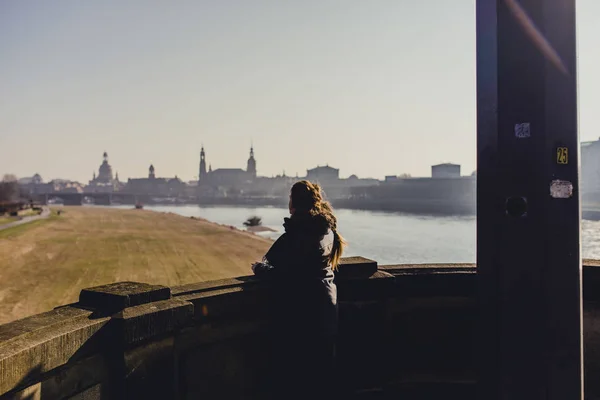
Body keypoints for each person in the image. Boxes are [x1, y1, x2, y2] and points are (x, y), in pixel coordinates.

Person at [252, 180, 346, 398]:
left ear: (293, 203)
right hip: (327, 310)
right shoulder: (326, 230)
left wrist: (259, 269)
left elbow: (286, 275)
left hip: (303, 316)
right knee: (321, 379)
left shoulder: (300, 235)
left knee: (297, 381)